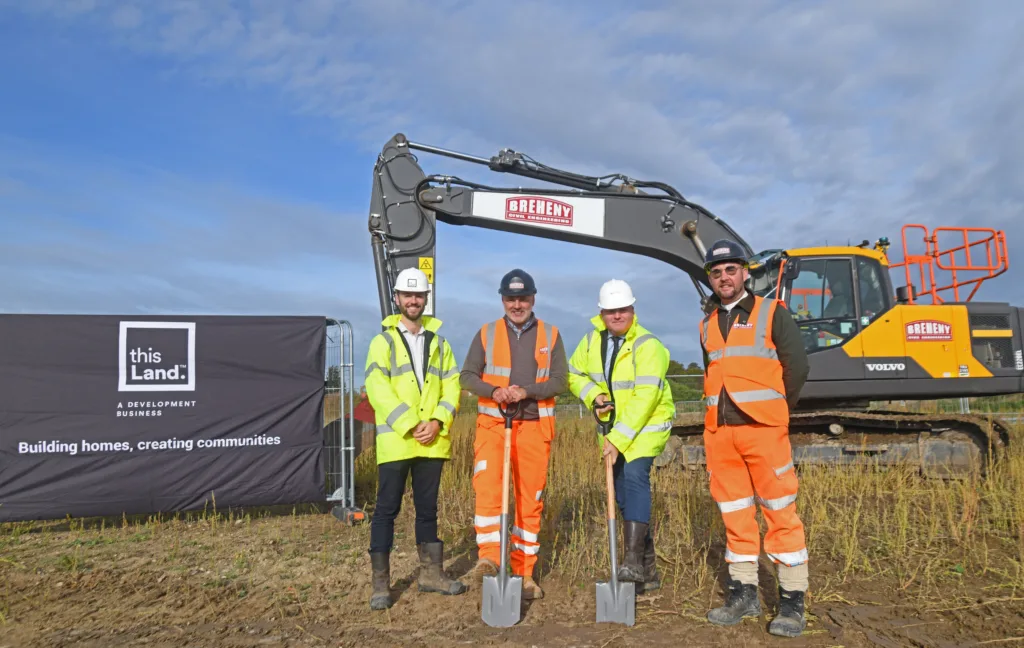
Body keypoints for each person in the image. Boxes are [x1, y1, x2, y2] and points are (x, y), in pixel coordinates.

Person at [698, 239, 811, 638]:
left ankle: (792, 602)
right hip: (721, 434)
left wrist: (777, 411)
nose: (724, 277)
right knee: (735, 516)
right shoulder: (707, 323)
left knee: (780, 512)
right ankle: (743, 594)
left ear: (745, 273)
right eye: (716, 272)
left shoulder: (771, 313)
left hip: (763, 430)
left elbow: (796, 367)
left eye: (731, 269)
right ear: (710, 279)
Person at [460, 268, 568, 600]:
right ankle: (490, 560)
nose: (516, 304)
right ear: (503, 300)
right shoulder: (486, 333)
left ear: (533, 298)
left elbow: (561, 381)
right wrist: (495, 391)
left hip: (534, 428)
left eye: (522, 298)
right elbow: (467, 376)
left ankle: (524, 573)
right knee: (489, 492)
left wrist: (528, 392)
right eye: (510, 298)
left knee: (528, 501)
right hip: (494, 428)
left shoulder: (550, 335)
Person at [363, 267, 467, 610]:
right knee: (386, 510)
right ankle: (381, 584)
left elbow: (452, 386)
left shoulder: (440, 343)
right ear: (397, 299)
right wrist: (410, 424)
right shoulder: (383, 341)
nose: (413, 300)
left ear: (426, 300)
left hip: (432, 440)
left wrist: (437, 421)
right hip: (397, 439)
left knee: (427, 510)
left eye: (418, 295)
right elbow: (377, 389)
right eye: (407, 295)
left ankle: (431, 575)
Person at [566, 279, 675, 592]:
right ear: (601, 313)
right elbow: (574, 374)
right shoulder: (591, 342)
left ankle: (630, 560)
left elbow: (646, 398)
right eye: (610, 311)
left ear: (633, 309)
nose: (617, 316)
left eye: (622, 309)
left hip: (645, 427)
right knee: (623, 494)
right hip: (612, 429)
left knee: (634, 477)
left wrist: (617, 440)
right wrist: (595, 396)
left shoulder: (648, 345)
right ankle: (647, 570)